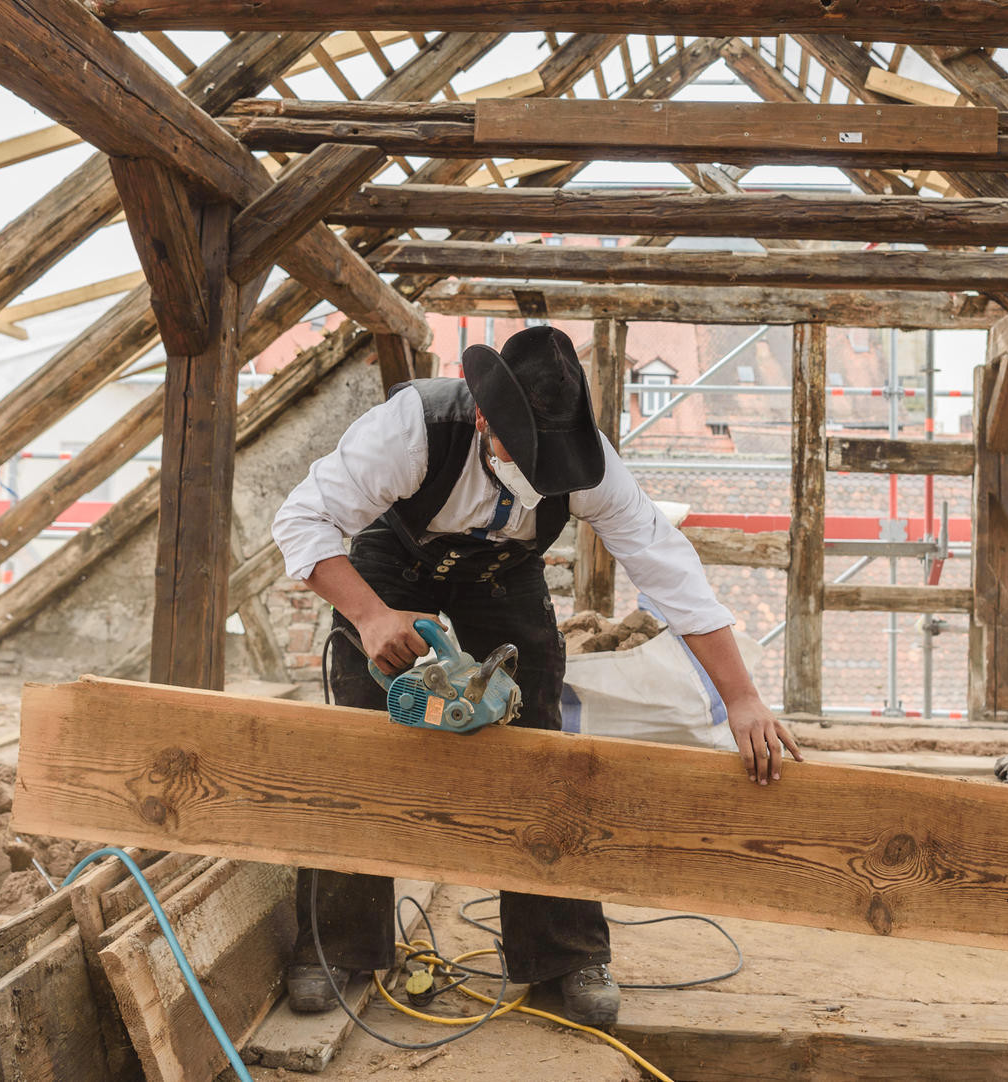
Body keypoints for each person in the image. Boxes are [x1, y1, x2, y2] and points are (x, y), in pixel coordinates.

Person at [271, 325, 801, 1027]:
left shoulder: (592, 465)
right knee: (362, 740)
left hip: (502, 574)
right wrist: (369, 616)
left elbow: (668, 571)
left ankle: (563, 952)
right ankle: (336, 945)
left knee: (543, 742)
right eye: (518, 454)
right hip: (391, 560)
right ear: (485, 417)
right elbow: (300, 520)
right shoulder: (414, 428)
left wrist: (742, 699)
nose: (534, 473)